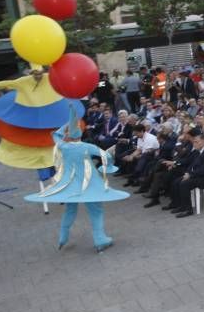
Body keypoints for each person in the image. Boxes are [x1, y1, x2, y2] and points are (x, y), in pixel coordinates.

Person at [25, 108, 128, 252]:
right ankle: (100, 239)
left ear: (68, 135)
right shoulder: (88, 146)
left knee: (70, 209)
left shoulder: (63, 146)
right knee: (96, 210)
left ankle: (63, 236)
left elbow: (55, 134)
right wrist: (107, 167)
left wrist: (68, 123)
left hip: (70, 185)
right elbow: (106, 156)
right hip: (90, 184)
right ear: (80, 134)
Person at [165, 131, 204, 218]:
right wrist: (187, 173)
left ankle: (188, 209)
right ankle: (180, 205)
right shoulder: (198, 151)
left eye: (196, 142)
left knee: (184, 184)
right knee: (176, 182)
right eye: (193, 142)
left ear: (203, 141)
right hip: (197, 175)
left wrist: (190, 175)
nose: (194, 144)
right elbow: (192, 165)